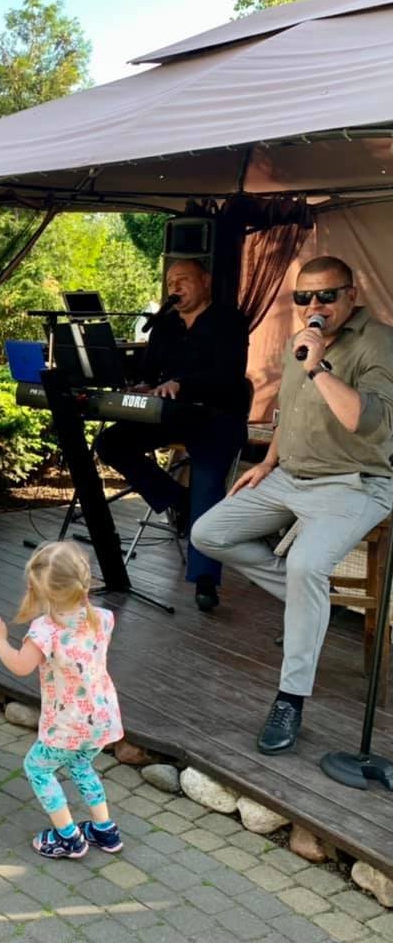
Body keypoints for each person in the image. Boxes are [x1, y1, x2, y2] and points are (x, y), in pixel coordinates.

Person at [192, 255, 393, 755]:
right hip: (290, 476)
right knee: (208, 534)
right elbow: (290, 407)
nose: (313, 306)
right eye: (303, 297)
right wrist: (268, 462)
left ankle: (290, 698)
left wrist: (318, 365)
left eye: (326, 295)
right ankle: (312, 600)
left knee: (306, 565)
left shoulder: (380, 342)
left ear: (352, 294)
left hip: (356, 482)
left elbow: (365, 422)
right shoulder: (298, 341)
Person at [93, 258, 249, 612]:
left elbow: (228, 375)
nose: (174, 288)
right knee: (111, 442)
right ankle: (178, 500)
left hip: (217, 416)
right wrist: (142, 386)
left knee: (208, 485)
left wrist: (182, 383)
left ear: (205, 281)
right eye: (170, 282)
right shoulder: (164, 325)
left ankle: (205, 579)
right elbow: (150, 373)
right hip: (169, 415)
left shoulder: (230, 321)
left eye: (183, 280)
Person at [0, 541, 124, 859]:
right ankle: (104, 830)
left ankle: (68, 838)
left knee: (37, 768)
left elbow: (20, 666)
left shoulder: (45, 631)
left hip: (68, 723)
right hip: (101, 717)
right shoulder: (103, 617)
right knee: (81, 763)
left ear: (39, 591)